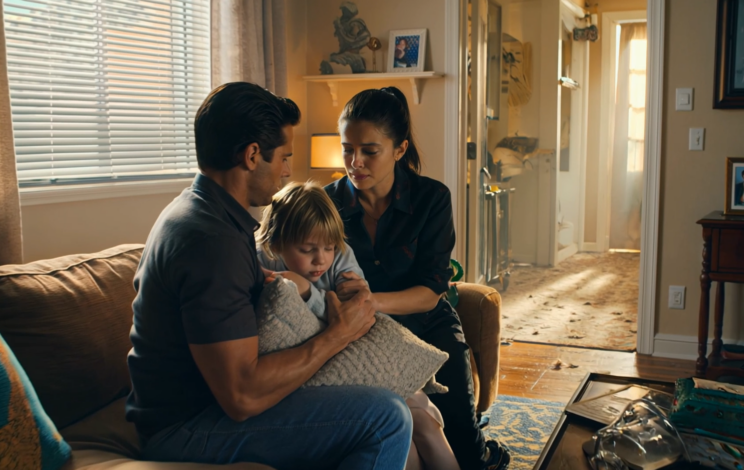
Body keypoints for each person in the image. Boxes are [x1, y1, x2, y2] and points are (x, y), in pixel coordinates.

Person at [126, 82, 412, 470]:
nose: (288, 171)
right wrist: (338, 334)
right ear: (252, 155)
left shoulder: (200, 211)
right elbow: (242, 397)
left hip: (192, 413)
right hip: (186, 428)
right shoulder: (212, 242)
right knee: (386, 417)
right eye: (284, 157)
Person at [325, 87, 512, 470]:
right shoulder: (326, 203)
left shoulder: (432, 198)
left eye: (369, 151)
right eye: (347, 149)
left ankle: (478, 454)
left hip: (426, 320)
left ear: (399, 149)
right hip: (360, 329)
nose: (355, 162)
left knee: (460, 428)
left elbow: (431, 290)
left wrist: (372, 301)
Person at [255, 180, 462, 470]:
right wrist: (313, 297)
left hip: (357, 346)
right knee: (407, 428)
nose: (321, 259)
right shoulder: (260, 263)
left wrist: (307, 291)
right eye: (307, 249)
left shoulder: (340, 256)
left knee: (424, 420)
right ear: (277, 243)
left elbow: (356, 311)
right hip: (319, 362)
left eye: (328, 247)